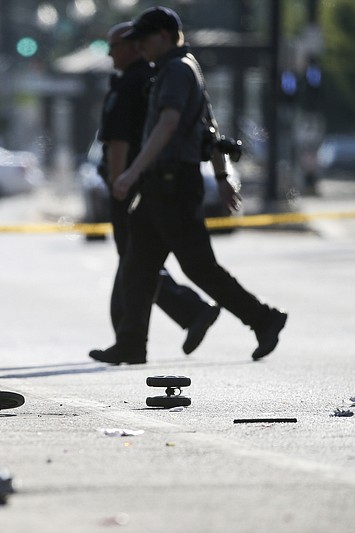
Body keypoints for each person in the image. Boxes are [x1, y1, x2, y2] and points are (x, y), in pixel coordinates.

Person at [89, 6, 287, 365]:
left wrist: (131, 173)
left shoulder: (178, 71)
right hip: (159, 187)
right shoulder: (174, 69)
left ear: (164, 36)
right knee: (138, 265)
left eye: (144, 40)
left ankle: (264, 318)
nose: (141, 48)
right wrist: (222, 176)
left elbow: (169, 125)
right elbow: (210, 132)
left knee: (198, 268)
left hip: (174, 185)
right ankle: (131, 343)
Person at [95, 21, 220, 357]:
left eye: (115, 46)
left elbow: (120, 140)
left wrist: (119, 182)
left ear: (134, 46)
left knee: (141, 261)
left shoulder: (138, 82)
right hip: (143, 181)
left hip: (135, 184)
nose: (110, 54)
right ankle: (134, 338)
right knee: (139, 261)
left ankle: (190, 313)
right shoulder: (149, 79)